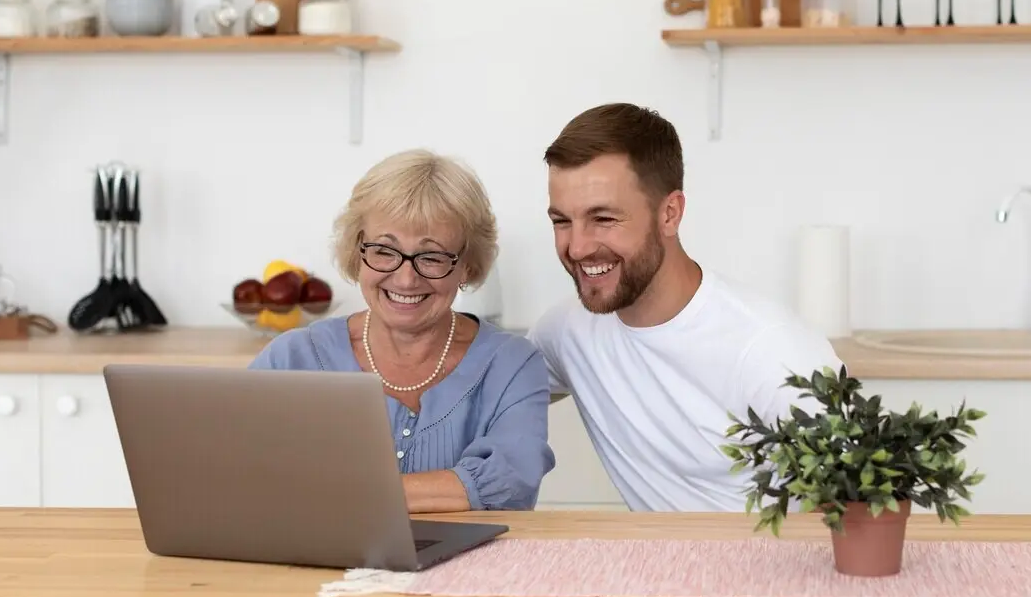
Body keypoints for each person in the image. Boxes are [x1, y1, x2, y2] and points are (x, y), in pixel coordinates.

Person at [529, 103, 838, 512]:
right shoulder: (565, 333)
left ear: (670, 213)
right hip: (659, 568)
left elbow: (860, 507)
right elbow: (482, 392)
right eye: (561, 221)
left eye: (602, 218)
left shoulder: (771, 348)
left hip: (774, 570)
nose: (578, 247)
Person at [250, 148, 555, 512]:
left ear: (468, 267)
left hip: (473, 568)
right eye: (384, 250)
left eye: (432, 256)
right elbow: (233, 473)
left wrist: (327, 493)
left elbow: (509, 482)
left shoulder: (511, 365)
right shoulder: (291, 359)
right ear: (356, 249)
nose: (406, 278)